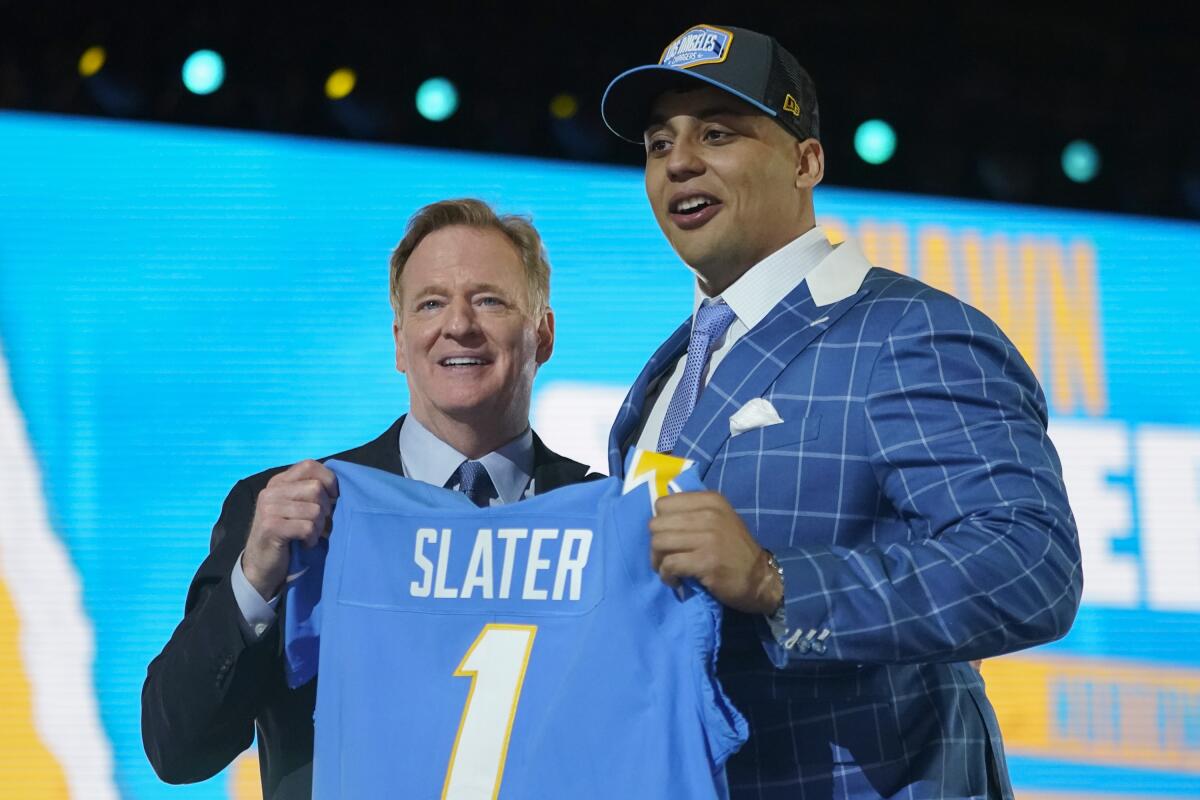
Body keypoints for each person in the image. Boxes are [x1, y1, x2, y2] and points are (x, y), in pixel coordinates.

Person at [600, 24, 1082, 800]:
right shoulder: (663, 375)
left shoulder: (908, 330)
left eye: (717, 133)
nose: (679, 161)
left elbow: (1031, 567)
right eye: (659, 144)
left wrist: (775, 581)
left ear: (805, 161)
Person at [141, 198, 593, 800]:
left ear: (543, 334)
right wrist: (255, 580)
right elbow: (178, 750)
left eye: (489, 299)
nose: (458, 324)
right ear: (400, 343)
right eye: (431, 303)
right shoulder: (288, 512)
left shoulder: (601, 518)